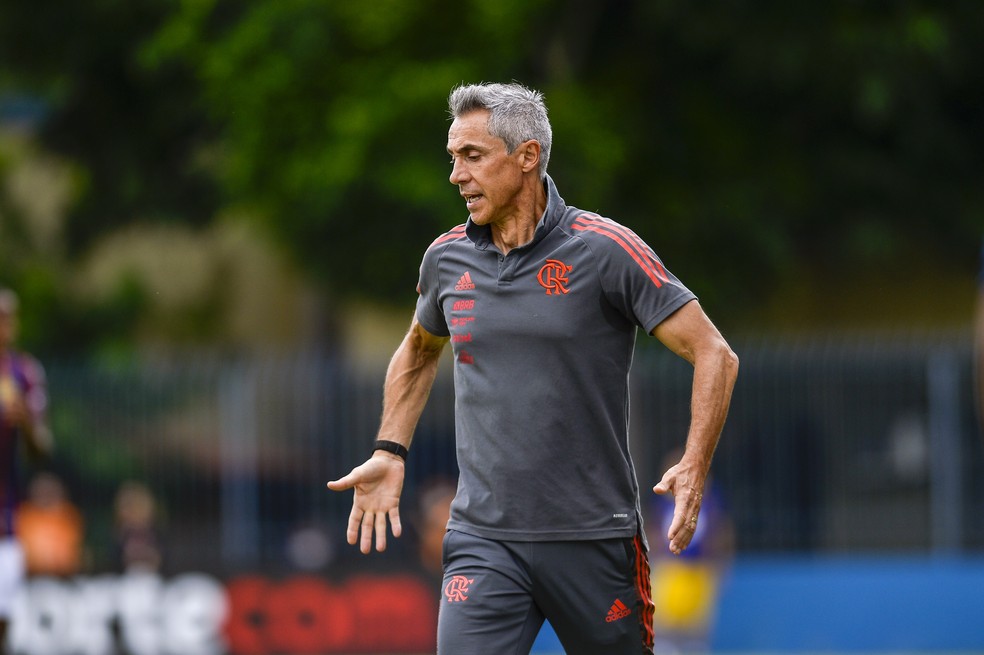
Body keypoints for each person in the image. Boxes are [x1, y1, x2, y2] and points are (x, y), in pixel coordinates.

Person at [327, 82, 739, 654]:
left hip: (594, 540)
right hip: (483, 540)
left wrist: (694, 465)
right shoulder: (446, 259)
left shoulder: (605, 250)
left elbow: (714, 352)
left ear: (527, 157)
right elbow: (419, 350)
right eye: (453, 158)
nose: (455, 175)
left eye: (472, 157)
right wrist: (389, 450)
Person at [0, 288, 53, 652]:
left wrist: (27, 425)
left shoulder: (24, 372)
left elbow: (43, 448)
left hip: (4, 513)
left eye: (8, 317)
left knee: (4, 612)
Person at [16, 472, 84, 577]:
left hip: (62, 578)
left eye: (49, 492)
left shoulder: (68, 515)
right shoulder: (24, 515)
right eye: (42, 492)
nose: (45, 496)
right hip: (30, 578)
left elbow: (68, 555)